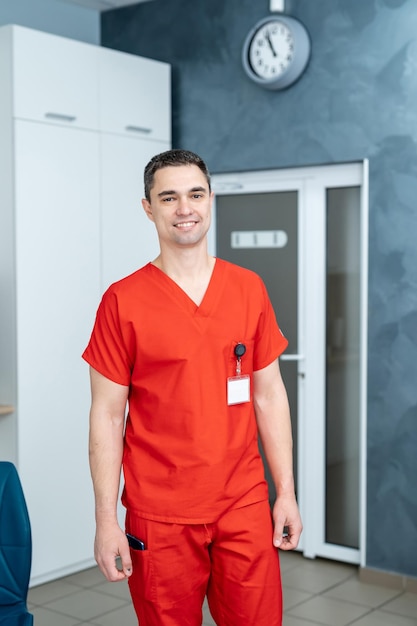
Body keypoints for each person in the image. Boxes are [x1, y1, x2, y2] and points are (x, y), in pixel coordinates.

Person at [83, 148, 302, 626]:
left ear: (210, 199)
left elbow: (268, 395)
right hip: (159, 514)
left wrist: (285, 492)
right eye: (169, 197)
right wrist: (105, 521)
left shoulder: (248, 288)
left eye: (196, 194)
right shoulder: (122, 301)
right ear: (149, 208)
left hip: (242, 503)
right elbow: (106, 415)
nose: (185, 208)